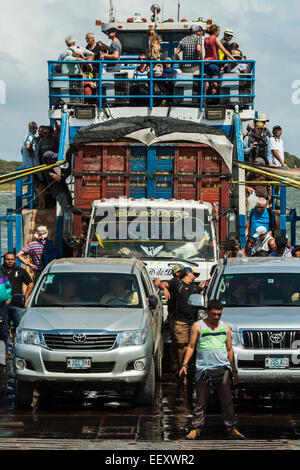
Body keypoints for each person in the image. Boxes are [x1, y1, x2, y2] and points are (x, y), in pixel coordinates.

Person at [181, 300, 245, 440]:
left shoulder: (225, 327)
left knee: (227, 399)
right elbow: (191, 346)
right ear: (207, 312)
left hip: (223, 368)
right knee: (200, 400)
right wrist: (184, 364)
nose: (216, 317)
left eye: (219, 315)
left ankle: (231, 428)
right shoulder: (197, 326)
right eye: (214, 314)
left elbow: (229, 349)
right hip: (203, 369)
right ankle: (196, 429)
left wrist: (234, 370)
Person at [154, 264, 185, 372]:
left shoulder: (185, 283)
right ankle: (175, 363)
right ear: (177, 273)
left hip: (185, 316)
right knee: (175, 341)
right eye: (182, 272)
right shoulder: (172, 283)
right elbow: (158, 282)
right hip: (174, 316)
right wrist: (165, 289)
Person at [2, 253, 34, 329]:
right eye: (8, 259)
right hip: (2, 304)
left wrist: (25, 297)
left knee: (19, 327)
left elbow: (30, 283)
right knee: (3, 328)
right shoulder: (0, 270)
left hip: (17, 304)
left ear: (15, 260)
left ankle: (17, 340)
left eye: (12, 259)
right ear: (4, 260)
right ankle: (6, 341)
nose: (10, 261)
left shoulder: (20, 270)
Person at [204, 24, 234, 99]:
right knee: (214, 84)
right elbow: (224, 51)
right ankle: (212, 101)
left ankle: (204, 99)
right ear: (215, 31)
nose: (219, 33)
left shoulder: (206, 39)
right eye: (218, 31)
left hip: (205, 64)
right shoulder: (215, 39)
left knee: (206, 84)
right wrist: (234, 59)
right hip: (214, 64)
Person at [42, 151, 72, 217]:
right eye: (53, 158)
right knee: (66, 210)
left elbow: (63, 172)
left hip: (64, 189)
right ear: (48, 160)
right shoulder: (48, 170)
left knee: (70, 207)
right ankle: (68, 222)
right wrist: (69, 172)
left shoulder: (55, 165)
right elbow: (59, 179)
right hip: (59, 193)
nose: (55, 159)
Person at [0, 266, 12, 357]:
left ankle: (2, 356)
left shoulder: (1, 271)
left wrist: (8, 298)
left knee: (3, 331)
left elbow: (8, 286)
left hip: (1, 306)